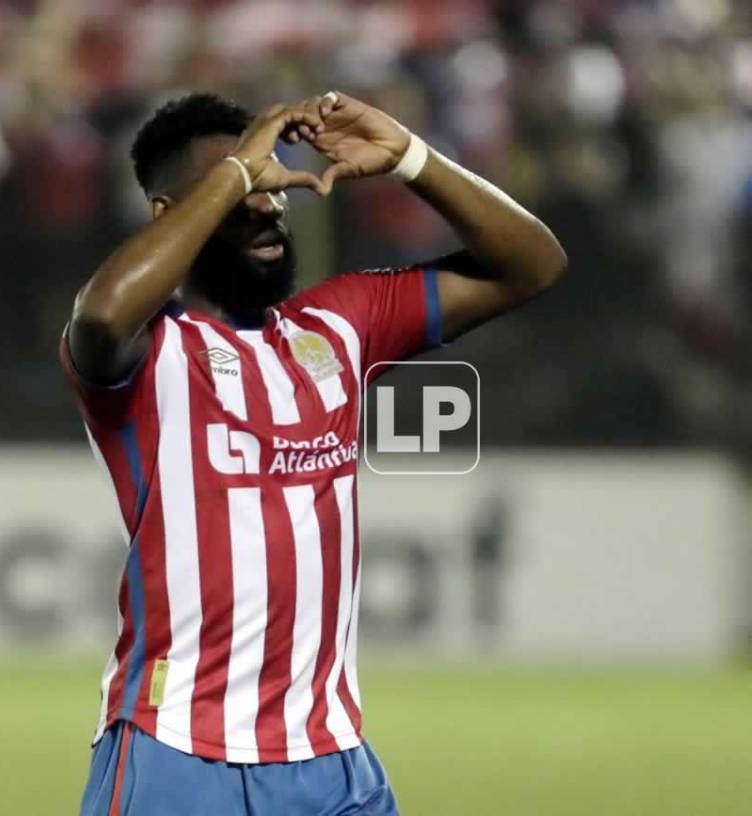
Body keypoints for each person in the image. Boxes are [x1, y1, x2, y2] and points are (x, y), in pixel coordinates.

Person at [61, 91, 566, 815]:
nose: (269, 203)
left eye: (273, 182)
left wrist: (412, 159)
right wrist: (238, 169)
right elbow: (104, 312)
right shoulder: (147, 354)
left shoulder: (338, 324)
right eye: (246, 187)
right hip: (176, 754)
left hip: (333, 767)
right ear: (173, 212)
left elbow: (532, 265)